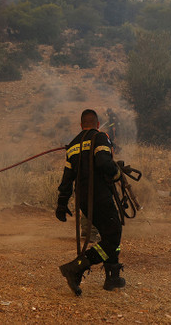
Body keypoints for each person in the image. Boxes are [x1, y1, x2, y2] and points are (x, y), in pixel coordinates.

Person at [56, 109, 125, 295]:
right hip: (100, 197)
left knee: (109, 233)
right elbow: (103, 162)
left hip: (84, 202)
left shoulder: (72, 145)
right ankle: (76, 268)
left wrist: (61, 204)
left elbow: (66, 179)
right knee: (113, 236)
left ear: (81, 125)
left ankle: (112, 277)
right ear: (97, 124)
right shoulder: (101, 137)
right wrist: (117, 173)